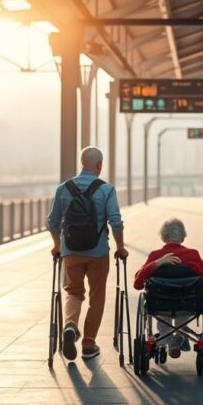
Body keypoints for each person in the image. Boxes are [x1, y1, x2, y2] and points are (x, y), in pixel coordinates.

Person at [47, 147, 128, 361]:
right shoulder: (106, 190)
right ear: (99, 165)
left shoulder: (63, 189)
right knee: (96, 297)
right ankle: (88, 344)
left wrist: (57, 245)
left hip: (70, 252)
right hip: (98, 252)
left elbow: (52, 222)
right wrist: (120, 247)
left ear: (82, 163)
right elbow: (116, 222)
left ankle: (70, 325)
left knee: (73, 292)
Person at [133, 218, 203, 358]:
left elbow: (137, 284)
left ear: (163, 236)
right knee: (182, 316)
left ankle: (168, 343)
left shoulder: (155, 256)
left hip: (160, 303)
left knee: (163, 316)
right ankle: (178, 339)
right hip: (187, 303)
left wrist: (157, 263)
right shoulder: (193, 254)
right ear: (183, 236)